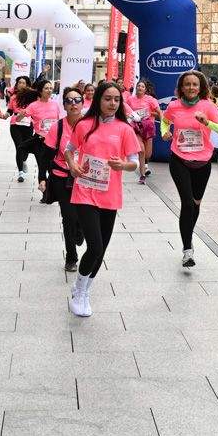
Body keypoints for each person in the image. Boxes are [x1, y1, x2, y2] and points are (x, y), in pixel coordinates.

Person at [63, 80, 139, 317]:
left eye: (117, 100)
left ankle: (84, 289)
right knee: (94, 246)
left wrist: (123, 165)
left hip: (110, 194)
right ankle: (78, 290)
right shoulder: (85, 124)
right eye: (108, 99)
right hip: (85, 191)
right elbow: (68, 149)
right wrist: (73, 165)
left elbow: (135, 162)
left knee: (101, 249)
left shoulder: (125, 129)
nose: (112, 103)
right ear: (98, 100)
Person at [160, 70, 218, 268]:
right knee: (188, 204)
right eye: (187, 84)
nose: (191, 88)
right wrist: (166, 132)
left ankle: (188, 235)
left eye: (195, 84)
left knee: (196, 204)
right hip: (179, 159)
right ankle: (187, 249)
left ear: (201, 87)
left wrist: (207, 123)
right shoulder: (174, 106)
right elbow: (165, 121)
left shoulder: (208, 106)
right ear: (181, 87)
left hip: (203, 161)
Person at [45, 85, 87, 270]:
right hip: (62, 176)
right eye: (69, 101)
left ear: (82, 103)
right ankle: (71, 257)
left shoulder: (90, 125)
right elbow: (46, 155)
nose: (73, 104)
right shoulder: (58, 126)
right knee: (68, 216)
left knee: (82, 217)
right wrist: (42, 178)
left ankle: (80, 229)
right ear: (64, 105)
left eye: (77, 100)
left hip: (85, 178)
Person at [25, 79, 61, 189]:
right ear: (40, 91)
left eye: (51, 88)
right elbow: (21, 116)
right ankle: (44, 191)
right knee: (42, 165)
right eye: (46, 88)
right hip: (40, 140)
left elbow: (58, 121)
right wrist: (20, 115)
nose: (49, 90)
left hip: (53, 141)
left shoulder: (55, 105)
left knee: (51, 167)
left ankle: (49, 189)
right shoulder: (33, 105)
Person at [123, 80, 159, 185]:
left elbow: (158, 113)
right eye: (138, 86)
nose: (140, 88)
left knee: (148, 154)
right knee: (141, 151)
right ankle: (142, 175)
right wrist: (131, 117)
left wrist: (148, 113)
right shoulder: (130, 100)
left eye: (142, 86)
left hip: (148, 128)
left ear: (145, 89)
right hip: (136, 129)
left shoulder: (150, 99)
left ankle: (145, 165)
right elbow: (126, 112)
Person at [8, 79, 40, 184]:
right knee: (19, 147)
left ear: (27, 86)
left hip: (28, 125)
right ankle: (20, 172)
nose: (21, 84)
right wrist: (4, 115)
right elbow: (10, 111)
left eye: (24, 83)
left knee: (25, 149)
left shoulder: (31, 98)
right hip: (15, 125)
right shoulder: (13, 97)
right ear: (17, 85)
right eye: (19, 83)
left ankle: (24, 160)